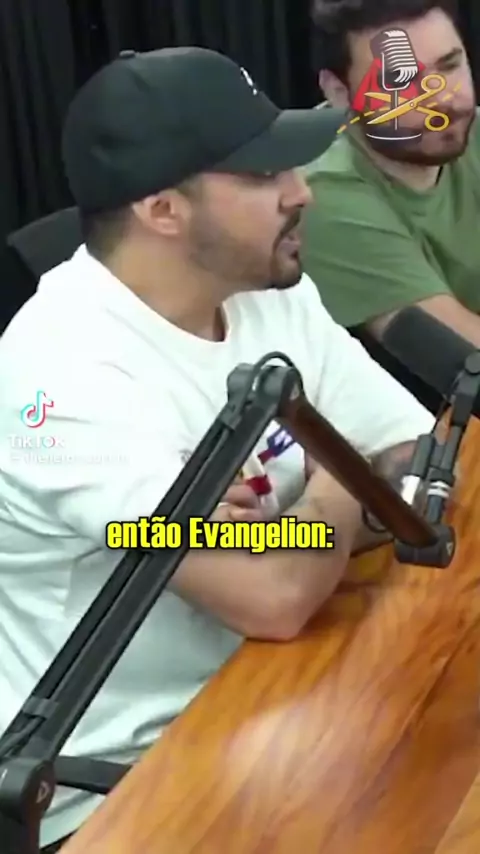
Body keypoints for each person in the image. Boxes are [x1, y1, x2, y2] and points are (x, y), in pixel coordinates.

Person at [0, 46, 435, 850]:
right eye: (265, 175)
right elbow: (272, 593)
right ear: (164, 210)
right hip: (113, 785)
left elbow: (417, 459)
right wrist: (342, 479)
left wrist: (307, 523)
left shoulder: (269, 289)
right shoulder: (59, 382)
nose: (302, 192)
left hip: (274, 699)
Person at [303, 0, 480, 347]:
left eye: (449, 66)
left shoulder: (472, 130)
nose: (443, 98)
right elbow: (459, 351)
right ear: (339, 93)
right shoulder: (321, 192)